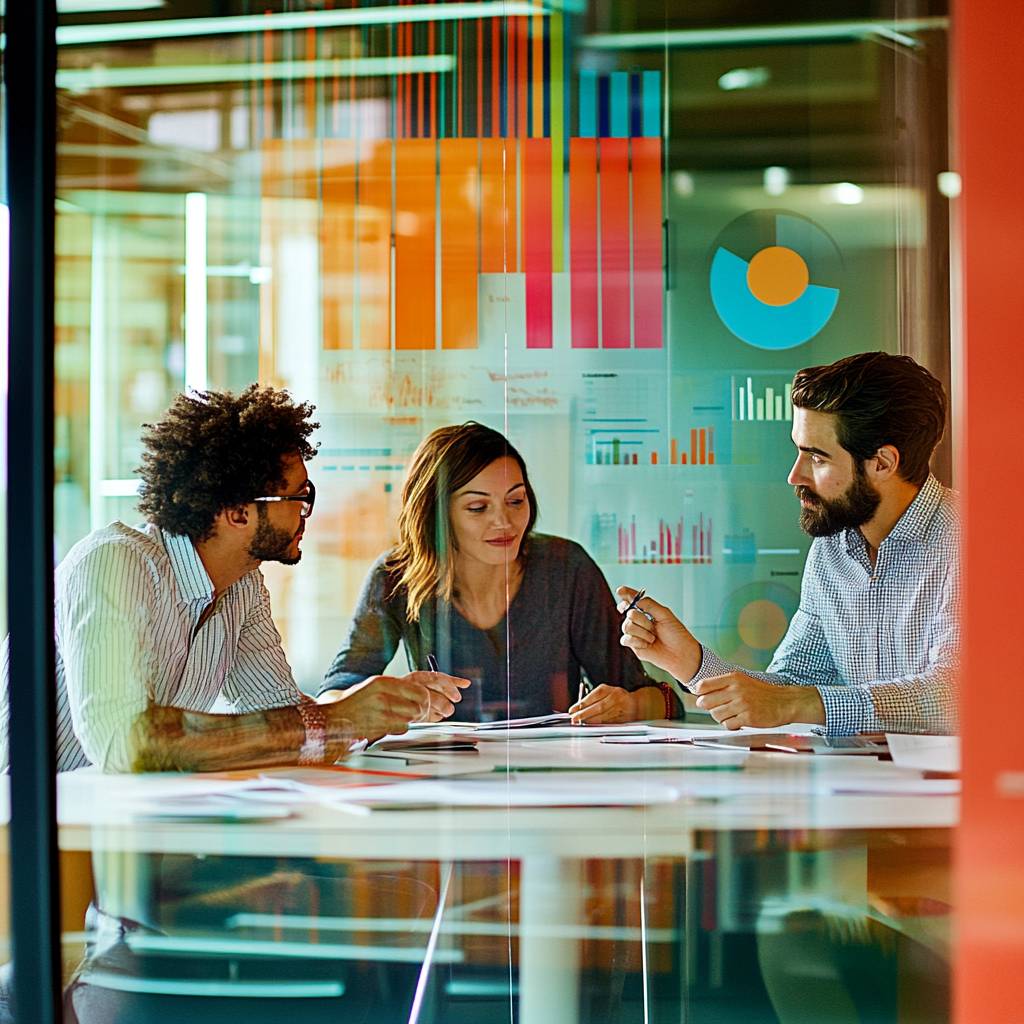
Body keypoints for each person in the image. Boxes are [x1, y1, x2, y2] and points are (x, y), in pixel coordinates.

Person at [0, 385, 469, 773]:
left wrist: (376, 707)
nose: (307, 511)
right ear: (236, 512)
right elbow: (125, 741)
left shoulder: (241, 585)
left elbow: (285, 719)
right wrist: (337, 717)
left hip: (129, 831)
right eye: (296, 496)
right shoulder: (113, 565)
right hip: (30, 847)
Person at [612, 351, 958, 736]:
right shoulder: (832, 549)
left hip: (967, 791)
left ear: (882, 462)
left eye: (816, 458)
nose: (794, 475)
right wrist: (691, 662)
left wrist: (801, 704)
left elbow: (956, 695)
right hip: (864, 784)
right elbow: (788, 686)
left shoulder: (976, 542)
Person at [320, 422, 676, 722]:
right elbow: (330, 704)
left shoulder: (565, 568)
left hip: (555, 777)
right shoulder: (395, 577)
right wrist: (396, 700)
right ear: (436, 514)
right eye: (478, 507)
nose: (504, 521)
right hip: (443, 780)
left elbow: (662, 701)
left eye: (516, 500)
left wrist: (627, 706)